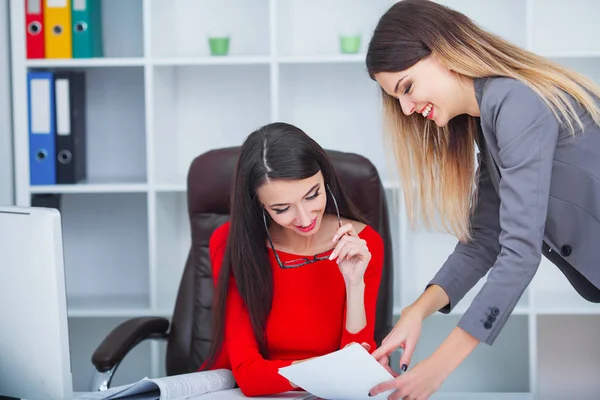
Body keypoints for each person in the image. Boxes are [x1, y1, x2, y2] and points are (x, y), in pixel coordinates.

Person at [365, 0, 600, 398]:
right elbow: (484, 240)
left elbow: (519, 252)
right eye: (396, 99)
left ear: (443, 50)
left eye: (407, 87)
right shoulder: (490, 122)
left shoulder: (515, 103)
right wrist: (416, 311)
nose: (406, 109)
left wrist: (437, 368)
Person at [200, 122, 385, 397]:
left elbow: (355, 368)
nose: (305, 217)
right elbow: (249, 376)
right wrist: (327, 368)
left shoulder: (363, 244)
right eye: (282, 208)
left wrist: (354, 284)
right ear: (259, 205)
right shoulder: (231, 244)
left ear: (325, 180)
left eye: (313, 195)